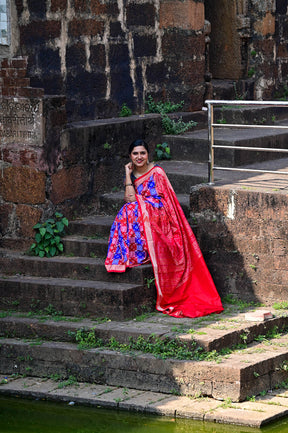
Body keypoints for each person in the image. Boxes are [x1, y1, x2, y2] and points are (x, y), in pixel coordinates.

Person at [105, 139, 223, 318]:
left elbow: (164, 202)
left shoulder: (157, 172)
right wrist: (127, 174)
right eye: (135, 154)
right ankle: (137, 252)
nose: (139, 157)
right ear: (130, 156)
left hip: (160, 215)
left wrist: (144, 204)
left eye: (142, 153)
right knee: (127, 210)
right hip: (141, 212)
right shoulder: (132, 175)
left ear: (148, 154)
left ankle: (140, 252)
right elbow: (129, 198)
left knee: (131, 209)